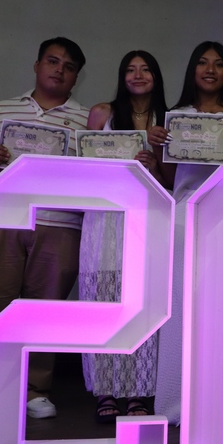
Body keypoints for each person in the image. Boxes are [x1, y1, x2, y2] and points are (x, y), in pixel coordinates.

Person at [0, 37, 90, 424]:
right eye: (52, 61)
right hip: (2, 220)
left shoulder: (86, 120)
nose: (59, 70)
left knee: (44, 313)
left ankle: (34, 390)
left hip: (60, 224)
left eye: (69, 66)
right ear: (37, 65)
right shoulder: (1, 110)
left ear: (76, 76)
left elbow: (96, 172)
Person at [154, 41, 223, 424]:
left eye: (219, 64)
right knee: (179, 307)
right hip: (185, 214)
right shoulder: (175, 117)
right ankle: (174, 405)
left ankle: (221, 406)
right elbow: (167, 178)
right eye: (203, 63)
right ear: (193, 70)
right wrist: (157, 148)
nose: (210, 70)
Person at [79, 50, 170, 422]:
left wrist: (155, 164)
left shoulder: (167, 119)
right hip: (105, 220)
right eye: (130, 70)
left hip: (148, 219)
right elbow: (84, 169)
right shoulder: (102, 114)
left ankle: (137, 391)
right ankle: (105, 390)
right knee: (103, 300)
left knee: (143, 302)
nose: (138, 75)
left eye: (145, 69)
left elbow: (172, 182)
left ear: (156, 76)